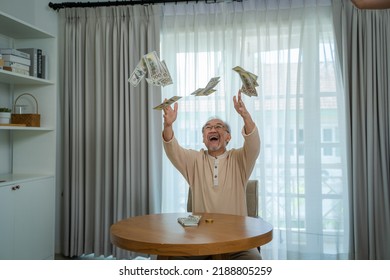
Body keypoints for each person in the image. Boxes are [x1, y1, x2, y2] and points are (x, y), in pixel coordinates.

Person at [162, 90, 261, 260]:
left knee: (253, 262)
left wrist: (245, 116)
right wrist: (168, 126)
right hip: (199, 241)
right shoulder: (194, 160)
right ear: (204, 138)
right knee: (167, 257)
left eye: (218, 127)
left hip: (237, 242)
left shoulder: (239, 159)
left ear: (228, 137)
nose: (213, 129)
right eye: (208, 127)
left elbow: (253, 144)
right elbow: (172, 150)